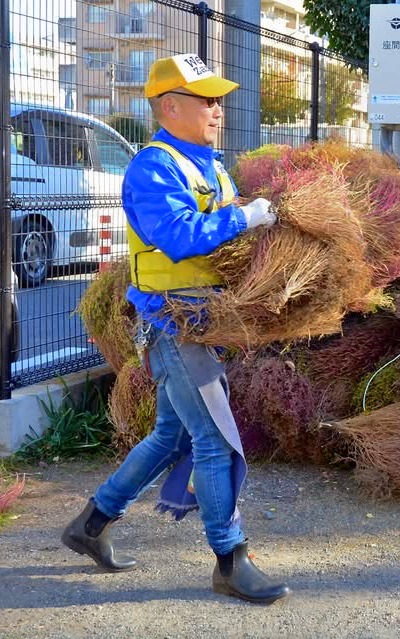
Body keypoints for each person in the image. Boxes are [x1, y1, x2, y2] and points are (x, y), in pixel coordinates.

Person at [61, 53, 289, 604]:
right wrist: (244, 216)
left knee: (172, 435)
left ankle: (90, 525)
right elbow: (183, 235)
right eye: (206, 100)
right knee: (214, 439)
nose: (217, 110)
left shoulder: (210, 165)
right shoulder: (152, 167)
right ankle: (230, 560)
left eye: (218, 100)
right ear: (169, 107)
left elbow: (223, 242)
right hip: (173, 322)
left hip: (204, 319)